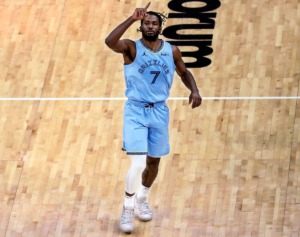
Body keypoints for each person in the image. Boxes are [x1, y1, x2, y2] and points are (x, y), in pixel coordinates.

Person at [105, 2, 202, 233]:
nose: (150, 26)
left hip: (159, 111)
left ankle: (142, 197)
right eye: (146, 23)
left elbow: (184, 71)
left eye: (154, 23)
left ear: (160, 27)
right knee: (138, 163)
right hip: (136, 111)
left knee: (153, 163)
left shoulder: (172, 50)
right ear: (141, 26)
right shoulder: (131, 48)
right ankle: (127, 207)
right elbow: (109, 42)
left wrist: (194, 90)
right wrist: (130, 18)